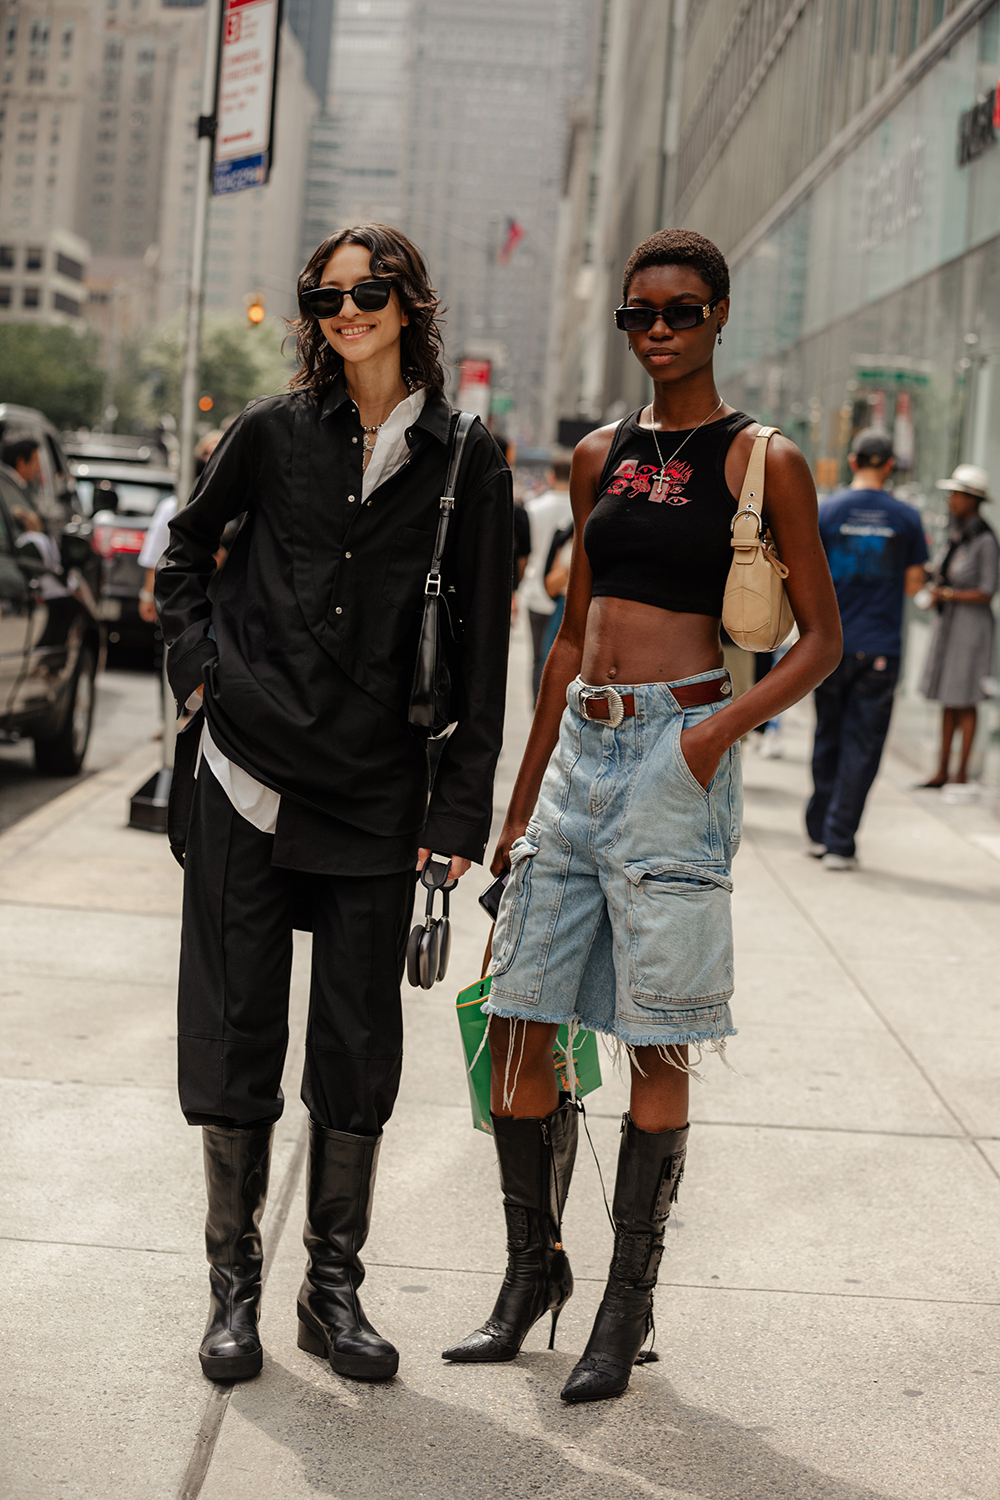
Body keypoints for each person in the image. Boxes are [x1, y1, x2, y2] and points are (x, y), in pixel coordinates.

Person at [442, 228, 841, 1402]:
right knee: (517, 1023)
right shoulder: (596, 456)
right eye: (637, 317)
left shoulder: (761, 460)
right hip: (580, 757)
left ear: (718, 316)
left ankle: (625, 1307)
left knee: (656, 1038)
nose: (656, 332)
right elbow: (567, 636)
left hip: (676, 755)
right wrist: (519, 806)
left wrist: (714, 734)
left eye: (676, 312)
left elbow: (821, 640)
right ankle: (534, 1273)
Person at [155, 225, 512, 1387]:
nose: (344, 309)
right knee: (235, 1034)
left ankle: (331, 1295)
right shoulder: (268, 433)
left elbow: (483, 658)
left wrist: (456, 818)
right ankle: (233, 1297)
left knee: (357, 1048)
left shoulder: (470, 462)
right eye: (324, 293)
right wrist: (202, 676)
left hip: (375, 794)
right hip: (245, 777)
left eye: (367, 291)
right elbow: (182, 558)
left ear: (409, 301)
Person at [805, 428, 928, 868]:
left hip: (829, 645)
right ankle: (839, 840)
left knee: (828, 734)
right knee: (863, 744)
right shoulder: (907, 518)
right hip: (880, 647)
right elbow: (915, 584)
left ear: (853, 461)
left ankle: (819, 830)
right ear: (890, 466)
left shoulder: (828, 511)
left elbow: (805, 573)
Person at [918, 463, 998, 787]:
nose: (951, 500)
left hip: (971, 627)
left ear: (973, 499)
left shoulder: (985, 541)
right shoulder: (957, 535)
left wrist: (949, 593)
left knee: (965, 697)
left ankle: (962, 773)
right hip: (950, 622)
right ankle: (941, 770)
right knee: (948, 697)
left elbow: (988, 590)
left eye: (957, 495)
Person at [522, 455, 573, 700]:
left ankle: (537, 716)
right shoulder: (582, 507)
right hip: (567, 595)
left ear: (551, 476)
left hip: (536, 593)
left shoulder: (533, 508)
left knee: (538, 660)